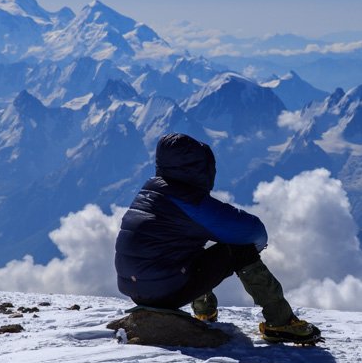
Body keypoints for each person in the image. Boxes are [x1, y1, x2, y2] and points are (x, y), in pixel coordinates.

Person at [114, 132, 321, 344]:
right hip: (165, 291)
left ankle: (205, 313)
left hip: (136, 290)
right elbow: (253, 232)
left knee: (188, 246)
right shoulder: (190, 202)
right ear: (199, 168)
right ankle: (280, 322)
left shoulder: (150, 192)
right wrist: (248, 250)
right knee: (240, 249)